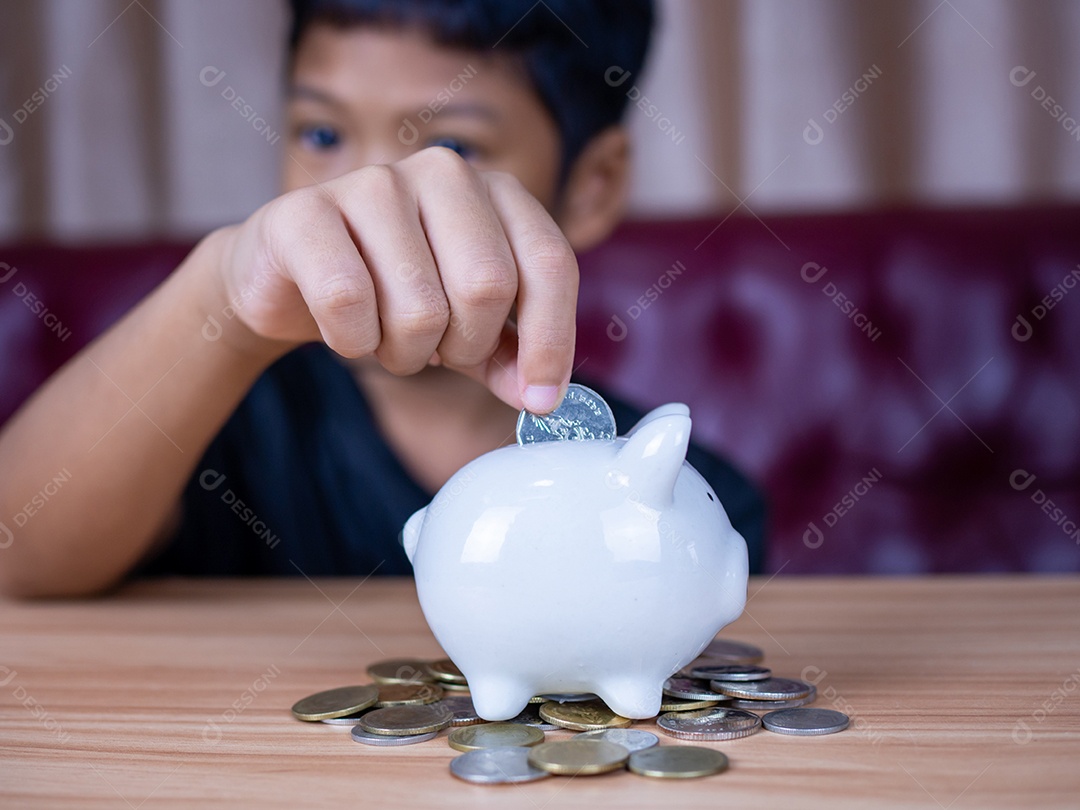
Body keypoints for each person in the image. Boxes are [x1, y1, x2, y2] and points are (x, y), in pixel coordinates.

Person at [0, 0, 764, 597]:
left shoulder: (684, 498)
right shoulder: (214, 428)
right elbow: (17, 558)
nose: (367, 196)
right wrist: (222, 299)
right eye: (323, 135)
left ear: (593, 184)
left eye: (452, 148)